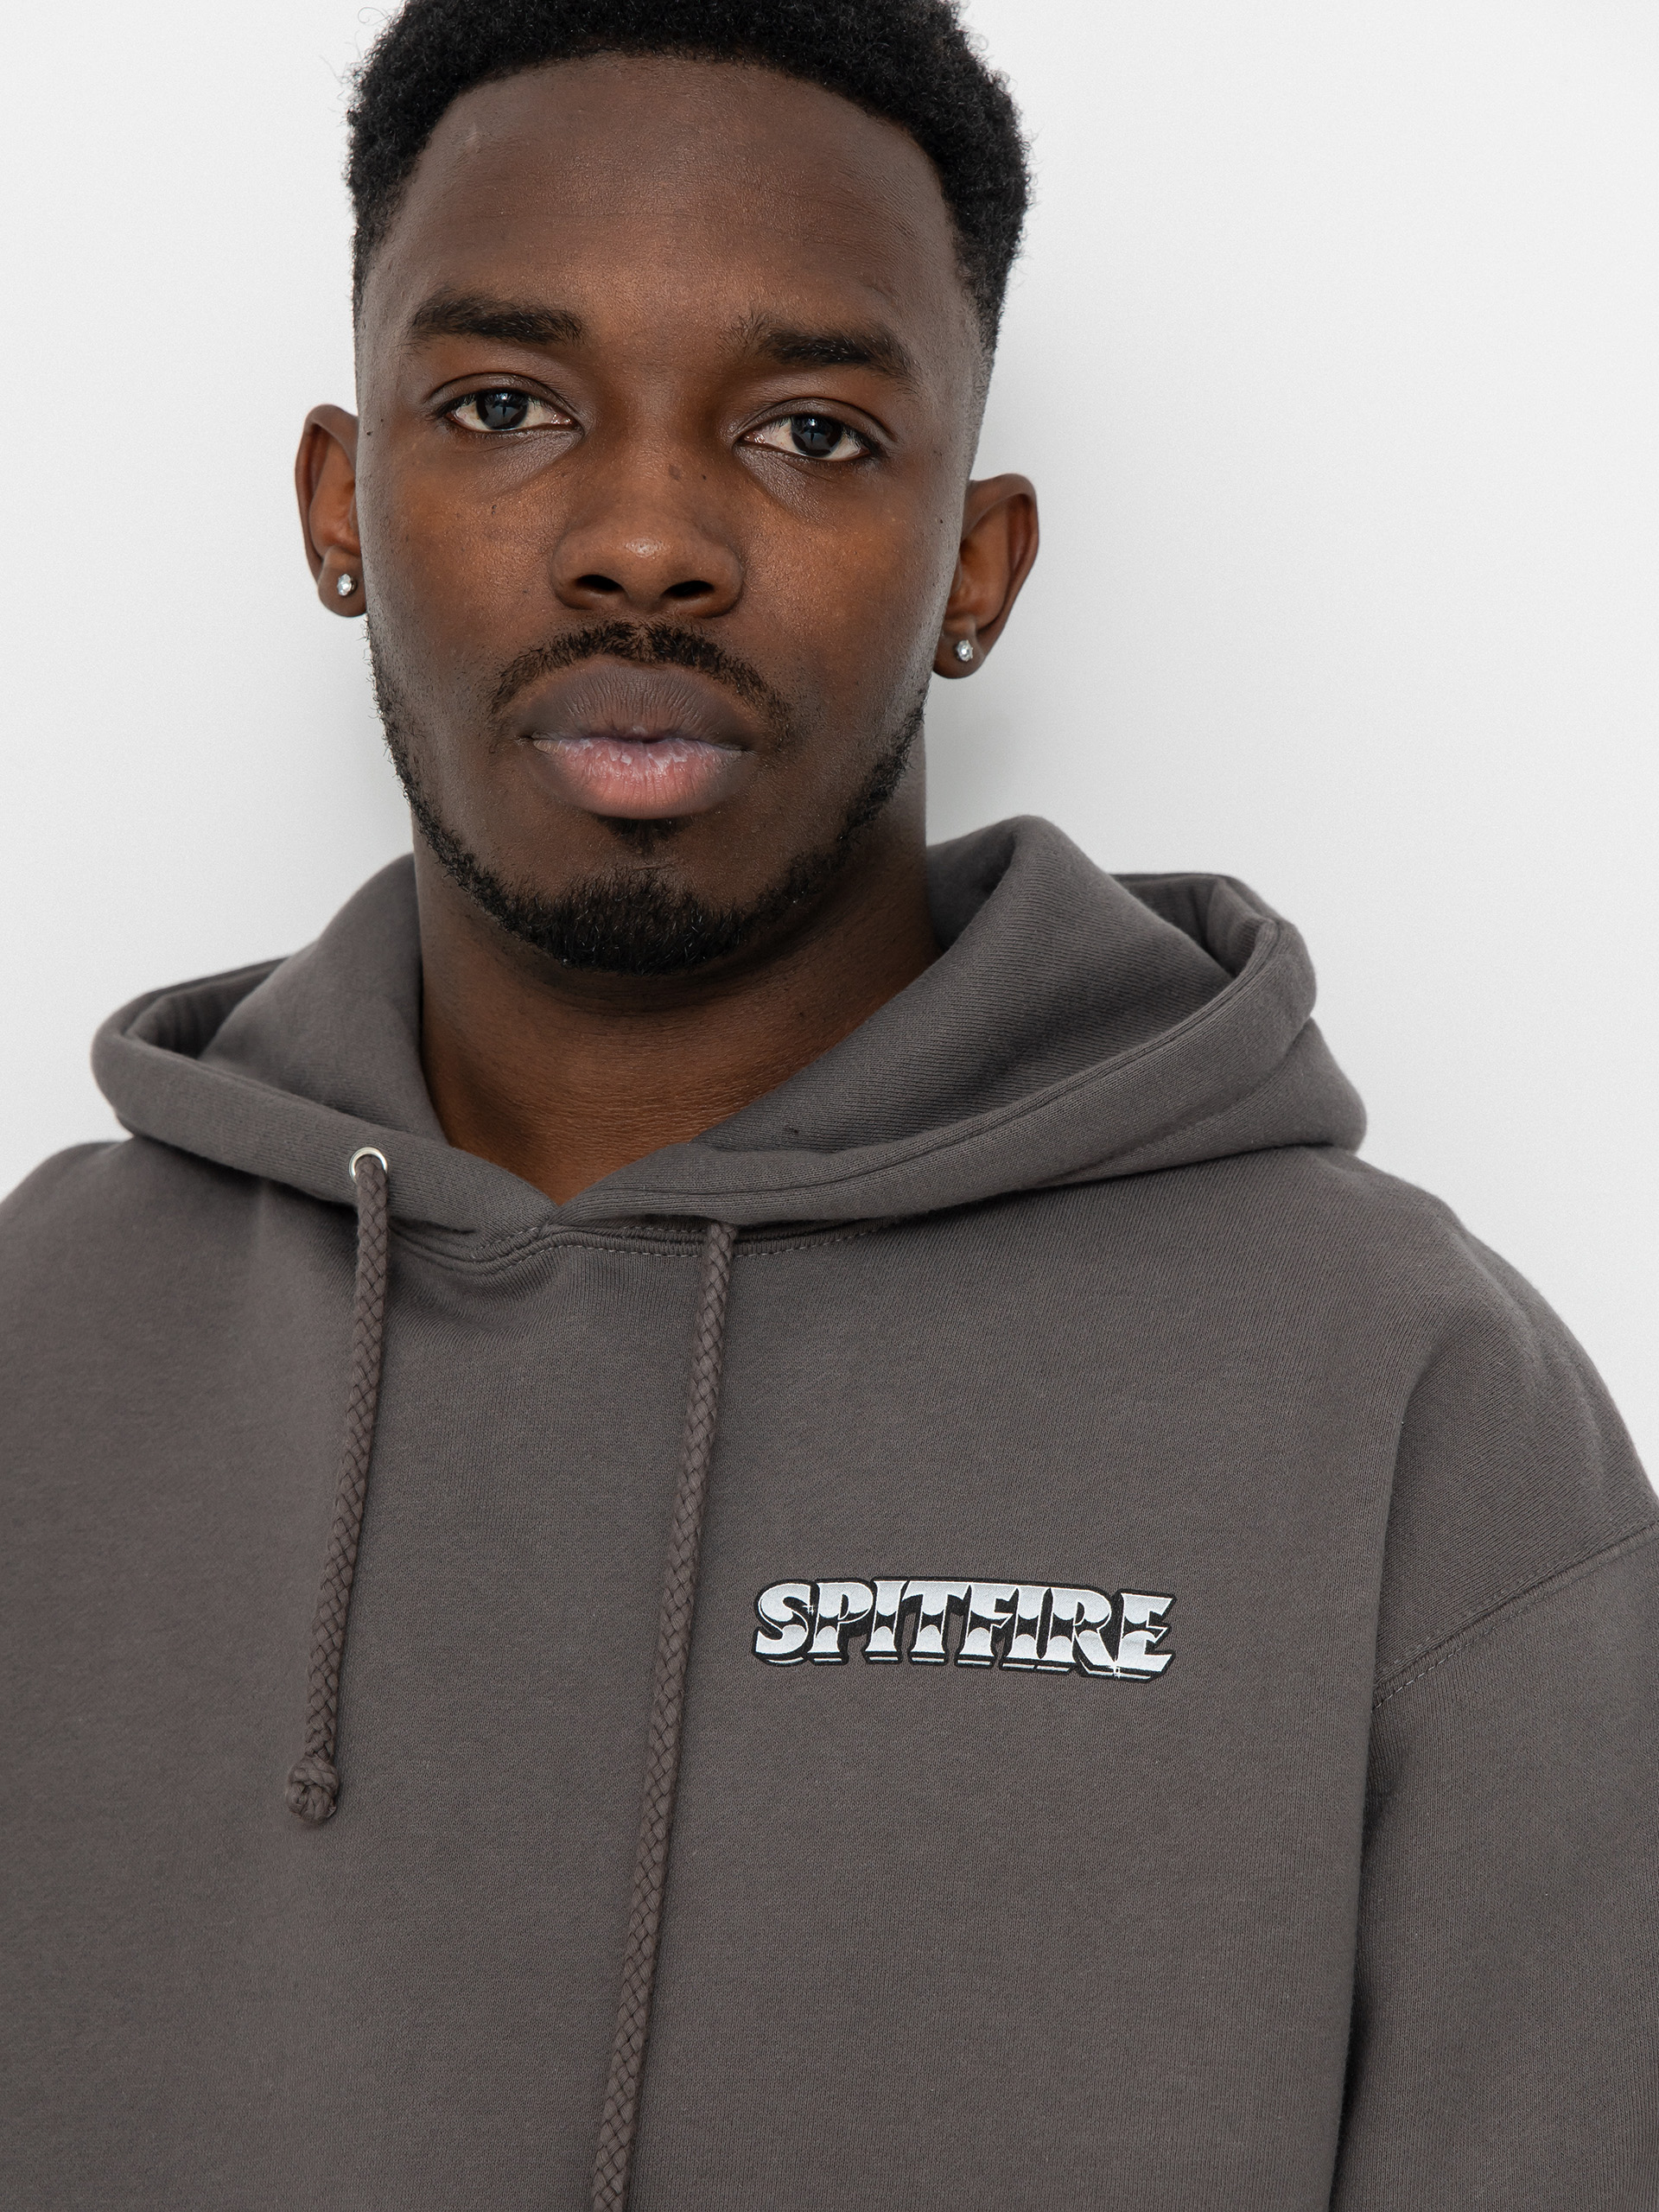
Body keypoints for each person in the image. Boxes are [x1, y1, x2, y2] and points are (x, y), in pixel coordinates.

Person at [3, 0, 1654, 2204]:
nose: (647, 538)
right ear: (340, 505)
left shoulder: (1405, 1397)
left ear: (978, 564)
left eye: (810, 429)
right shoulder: (43, 1343)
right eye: (503, 405)